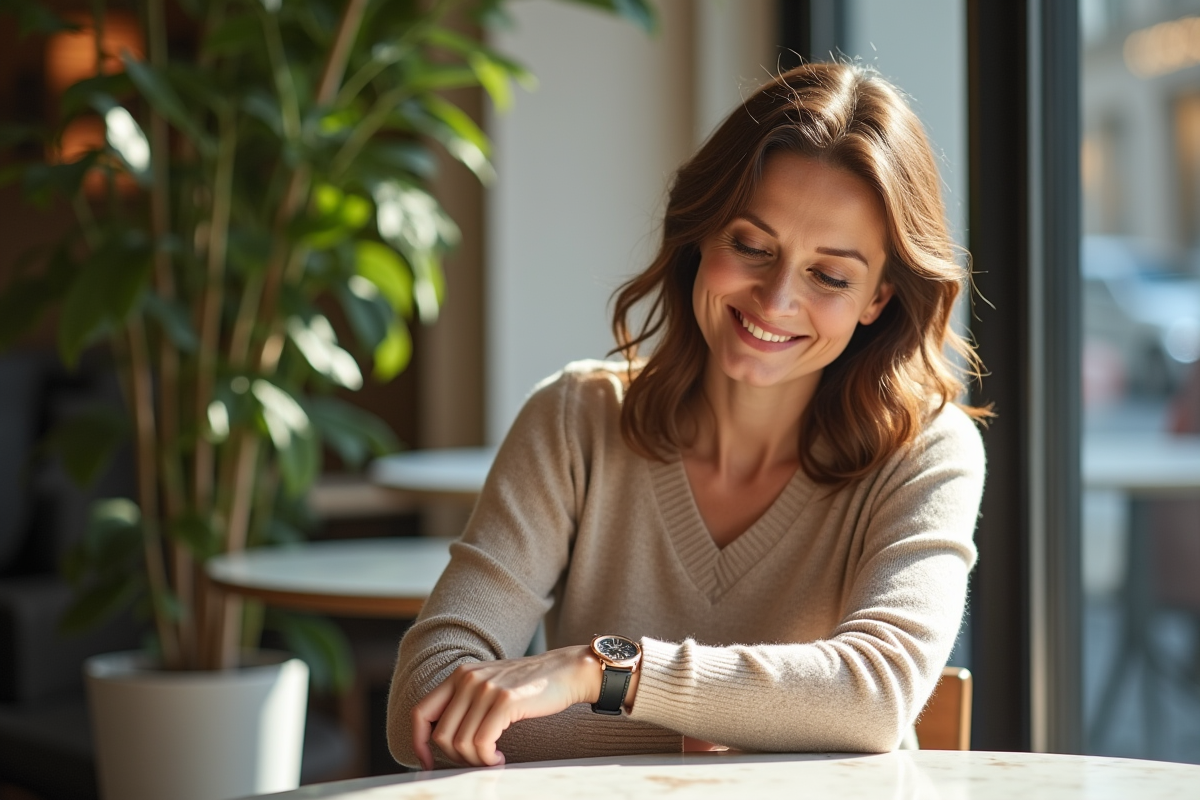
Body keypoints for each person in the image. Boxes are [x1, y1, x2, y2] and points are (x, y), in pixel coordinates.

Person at [387, 61, 988, 770]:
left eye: (829, 275)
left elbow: (875, 697)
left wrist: (604, 672)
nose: (775, 300)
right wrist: (715, 735)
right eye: (751, 247)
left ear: (879, 298)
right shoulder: (574, 420)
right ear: (701, 235)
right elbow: (424, 704)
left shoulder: (926, 452)